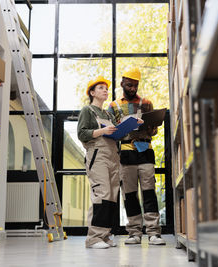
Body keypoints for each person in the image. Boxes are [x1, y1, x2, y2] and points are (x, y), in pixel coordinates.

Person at [108, 68, 166, 245]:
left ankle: (154, 233)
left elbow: (154, 130)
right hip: (126, 153)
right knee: (130, 194)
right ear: (122, 84)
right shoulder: (113, 106)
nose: (132, 88)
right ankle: (134, 233)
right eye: (129, 85)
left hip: (145, 151)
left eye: (135, 85)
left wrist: (151, 128)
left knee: (149, 192)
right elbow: (111, 132)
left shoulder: (147, 103)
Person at [77, 76, 120, 249]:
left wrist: (131, 126)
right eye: (101, 88)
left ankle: (105, 235)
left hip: (113, 155)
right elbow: (82, 133)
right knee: (101, 194)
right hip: (97, 155)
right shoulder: (87, 110)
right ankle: (93, 238)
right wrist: (102, 130)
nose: (105, 90)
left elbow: (117, 133)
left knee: (111, 196)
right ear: (92, 92)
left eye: (106, 88)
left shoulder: (108, 114)